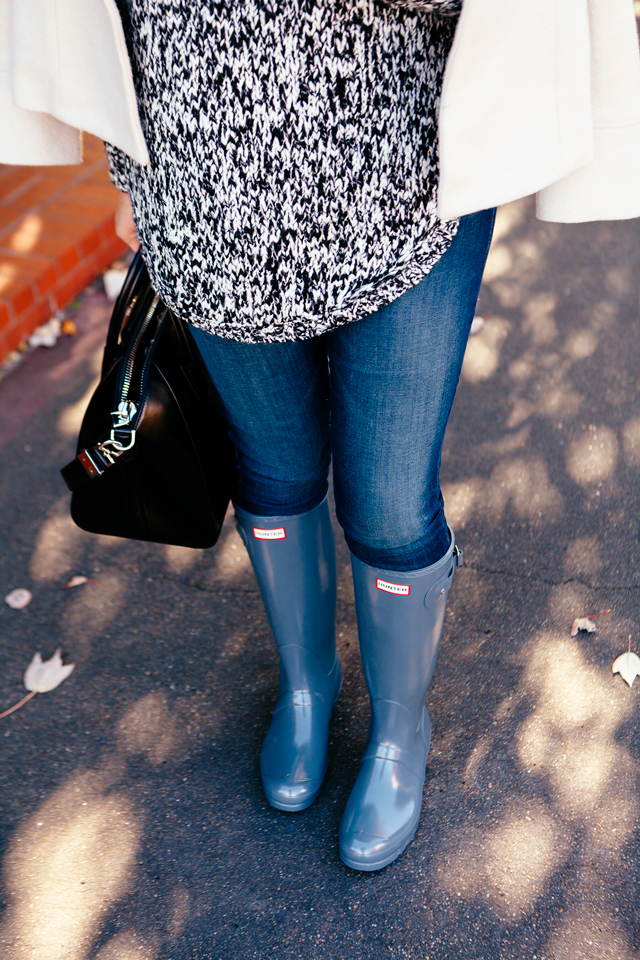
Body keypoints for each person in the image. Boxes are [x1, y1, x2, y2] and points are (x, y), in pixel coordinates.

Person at [3, 0, 640, 872]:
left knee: (386, 500)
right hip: (200, 185)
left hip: (409, 176)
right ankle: (308, 687)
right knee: (274, 470)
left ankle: (398, 729)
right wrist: (125, 172)